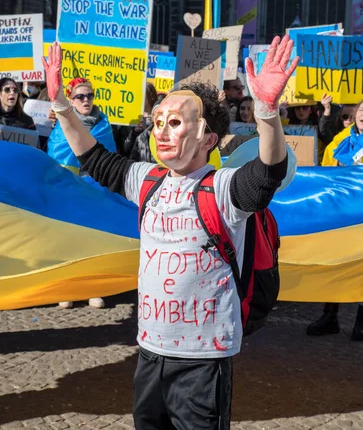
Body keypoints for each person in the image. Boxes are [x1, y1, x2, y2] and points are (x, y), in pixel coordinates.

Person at [42, 35, 297, 430]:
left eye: (175, 123)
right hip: (149, 352)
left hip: (204, 360)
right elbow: (92, 158)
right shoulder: (146, 179)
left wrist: (266, 110)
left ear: (207, 138)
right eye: (158, 120)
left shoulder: (224, 188)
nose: (161, 130)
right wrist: (61, 105)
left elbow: (268, 173)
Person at [48, 77, 116, 310]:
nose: (86, 100)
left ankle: (92, 289)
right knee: (68, 237)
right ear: (71, 100)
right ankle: (67, 288)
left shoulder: (103, 124)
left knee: (94, 238)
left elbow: (111, 158)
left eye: (89, 95)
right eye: (80, 96)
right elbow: (56, 157)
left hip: (96, 187)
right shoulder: (61, 126)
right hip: (70, 187)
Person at [307, 100, 363, 341]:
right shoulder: (340, 139)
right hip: (341, 214)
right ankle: (329, 316)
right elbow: (326, 174)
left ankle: (361, 322)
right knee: (337, 263)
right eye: (362, 111)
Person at [114, 82, 158, 156]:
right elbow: (126, 149)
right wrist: (134, 132)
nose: (137, 97)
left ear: (151, 96)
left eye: (141, 93)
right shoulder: (131, 118)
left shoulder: (160, 115)